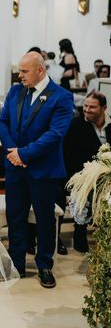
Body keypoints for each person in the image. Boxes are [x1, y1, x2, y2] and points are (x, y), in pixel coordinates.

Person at [0, 51, 73, 288]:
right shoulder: (16, 91)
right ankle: (17, 263)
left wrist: (25, 154)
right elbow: (2, 123)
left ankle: (44, 265)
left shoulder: (61, 97)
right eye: (19, 70)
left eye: (24, 71)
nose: (19, 75)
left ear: (40, 70)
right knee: (16, 216)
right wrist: (14, 152)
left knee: (44, 219)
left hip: (44, 169)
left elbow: (55, 134)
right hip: (15, 168)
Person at [62, 92, 110, 253]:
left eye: (92, 107)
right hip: (81, 173)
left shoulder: (110, 126)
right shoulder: (75, 126)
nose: (87, 110)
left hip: (107, 174)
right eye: (86, 106)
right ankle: (80, 230)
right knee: (83, 188)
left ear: (104, 108)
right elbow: (69, 155)